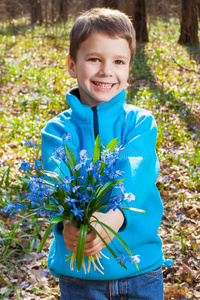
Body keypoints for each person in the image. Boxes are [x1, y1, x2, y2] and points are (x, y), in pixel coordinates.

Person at [41, 7, 165, 300]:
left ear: (129, 68)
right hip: (79, 273)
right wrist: (68, 223)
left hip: (139, 271)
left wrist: (116, 216)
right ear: (72, 65)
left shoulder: (139, 123)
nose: (106, 70)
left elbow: (137, 168)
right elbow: (55, 182)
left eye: (119, 61)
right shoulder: (57, 130)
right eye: (94, 58)